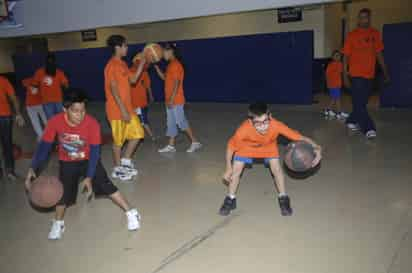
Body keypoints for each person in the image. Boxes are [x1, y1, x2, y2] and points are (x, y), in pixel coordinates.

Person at [24, 89, 141, 240]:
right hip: (67, 162)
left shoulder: (92, 124)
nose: (80, 115)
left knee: (106, 185)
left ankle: (131, 212)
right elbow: (44, 147)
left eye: (83, 110)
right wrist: (33, 167)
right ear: (65, 109)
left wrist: (89, 176)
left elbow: (94, 153)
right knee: (62, 193)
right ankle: (58, 223)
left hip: (88, 160)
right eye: (75, 111)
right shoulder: (55, 122)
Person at [219, 103, 322, 216]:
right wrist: (228, 167)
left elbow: (300, 137)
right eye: (258, 123)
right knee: (235, 171)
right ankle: (230, 199)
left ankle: (283, 198)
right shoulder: (243, 130)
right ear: (250, 121)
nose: (263, 126)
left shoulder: (276, 125)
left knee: (277, 170)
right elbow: (230, 148)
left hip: (268, 147)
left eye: (265, 121)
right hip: (246, 148)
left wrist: (317, 147)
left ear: (270, 116)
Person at [342, 8, 390, 139]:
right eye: (360, 17)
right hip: (355, 75)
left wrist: (385, 72)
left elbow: (379, 54)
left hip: (369, 75)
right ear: (358, 19)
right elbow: (345, 56)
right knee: (360, 104)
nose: (362, 20)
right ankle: (369, 128)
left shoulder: (375, 34)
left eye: (365, 17)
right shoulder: (352, 35)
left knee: (360, 103)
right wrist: (344, 75)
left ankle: (351, 120)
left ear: (369, 18)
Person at [104, 35, 146, 181]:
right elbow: (113, 88)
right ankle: (118, 169)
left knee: (138, 134)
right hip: (117, 111)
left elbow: (133, 80)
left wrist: (142, 62)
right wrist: (122, 110)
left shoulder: (122, 64)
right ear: (118, 47)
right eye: (125, 46)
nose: (127, 48)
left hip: (128, 108)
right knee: (118, 142)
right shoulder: (111, 65)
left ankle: (126, 162)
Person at [154, 43, 201, 153]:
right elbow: (164, 78)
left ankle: (195, 142)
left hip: (176, 100)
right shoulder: (171, 65)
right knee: (171, 123)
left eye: (164, 52)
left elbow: (176, 83)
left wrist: (171, 99)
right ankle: (171, 145)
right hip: (170, 100)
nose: (162, 54)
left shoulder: (176, 65)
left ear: (171, 51)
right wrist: (156, 67)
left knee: (181, 122)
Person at [0, 76, 25, 181]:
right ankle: (10, 172)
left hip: (5, 116)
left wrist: (18, 114)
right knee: (7, 144)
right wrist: (18, 114)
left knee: (7, 144)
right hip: (5, 116)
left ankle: (7, 172)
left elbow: (13, 97)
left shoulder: (3, 81)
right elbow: (13, 98)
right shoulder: (3, 80)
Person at [33, 53, 69, 119]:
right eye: (49, 61)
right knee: (54, 120)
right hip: (48, 101)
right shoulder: (39, 72)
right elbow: (34, 85)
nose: (50, 63)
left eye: (51, 61)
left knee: (59, 119)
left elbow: (66, 85)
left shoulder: (59, 72)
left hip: (57, 100)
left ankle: (59, 129)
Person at [130, 53, 156, 141]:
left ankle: (138, 135)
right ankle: (151, 136)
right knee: (142, 121)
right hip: (135, 103)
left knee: (142, 120)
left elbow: (147, 85)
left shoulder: (144, 73)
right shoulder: (129, 71)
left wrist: (151, 95)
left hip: (143, 101)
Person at [323, 50, 349, 120]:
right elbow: (327, 74)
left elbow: (343, 72)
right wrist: (329, 83)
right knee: (337, 99)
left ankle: (328, 110)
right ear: (332, 57)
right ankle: (339, 113)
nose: (338, 57)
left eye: (339, 56)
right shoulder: (332, 65)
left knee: (333, 98)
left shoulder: (339, 64)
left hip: (336, 84)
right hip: (334, 85)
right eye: (336, 55)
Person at [22, 76, 47, 141]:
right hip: (34, 105)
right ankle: (42, 136)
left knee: (40, 121)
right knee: (40, 121)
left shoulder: (41, 81)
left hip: (37, 105)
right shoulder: (32, 80)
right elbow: (24, 83)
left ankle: (43, 136)